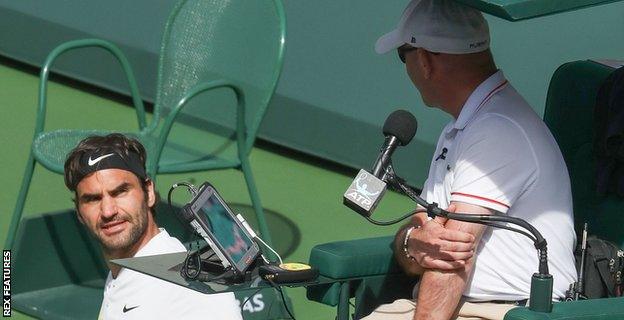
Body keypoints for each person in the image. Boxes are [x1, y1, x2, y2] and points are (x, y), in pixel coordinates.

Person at [363, 1, 577, 319]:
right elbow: (425, 236)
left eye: (402, 55)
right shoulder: (465, 125)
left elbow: (452, 262)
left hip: (505, 311)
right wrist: (412, 242)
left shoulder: (497, 129)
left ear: (424, 61)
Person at [63, 133, 243, 320]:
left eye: (119, 192)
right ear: (78, 211)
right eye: (92, 199)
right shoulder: (124, 272)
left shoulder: (189, 291)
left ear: (148, 192)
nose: (108, 211)